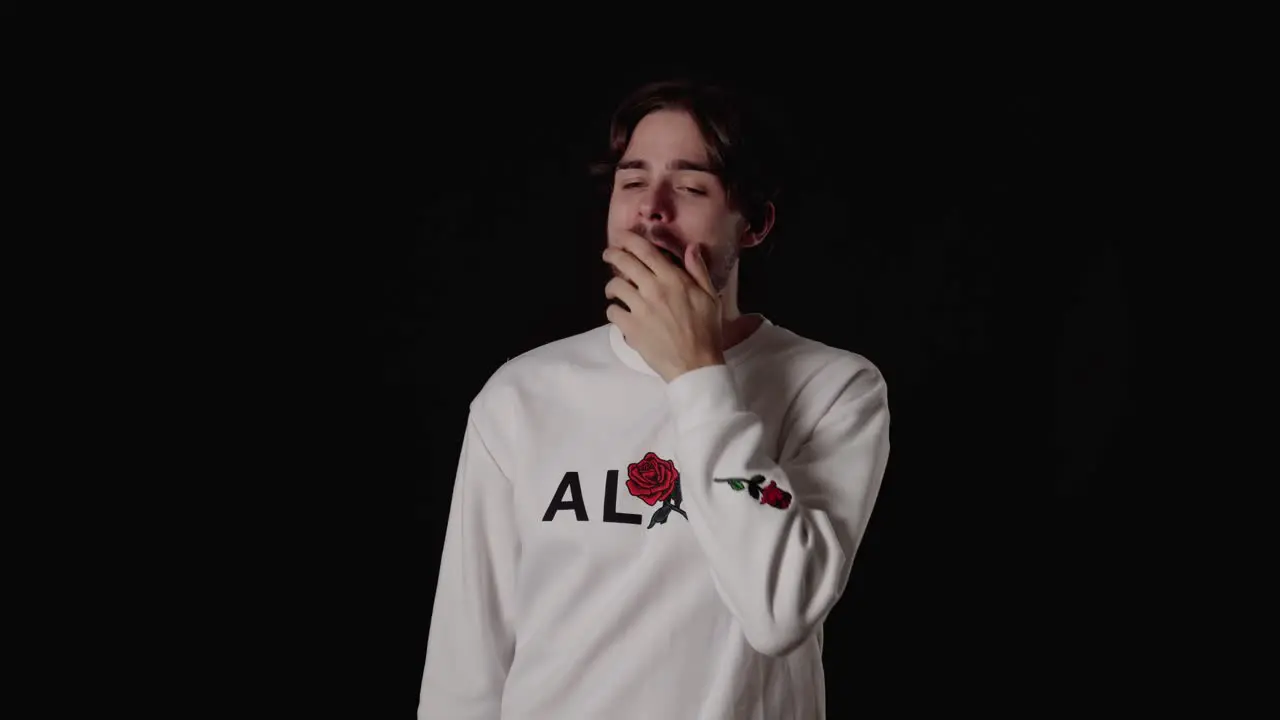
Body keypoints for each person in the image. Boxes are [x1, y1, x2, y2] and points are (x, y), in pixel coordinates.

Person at [418, 79, 891, 719]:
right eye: (632, 181)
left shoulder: (835, 388)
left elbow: (782, 611)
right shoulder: (521, 395)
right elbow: (465, 666)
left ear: (754, 224)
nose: (651, 210)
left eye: (692, 187)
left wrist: (696, 372)